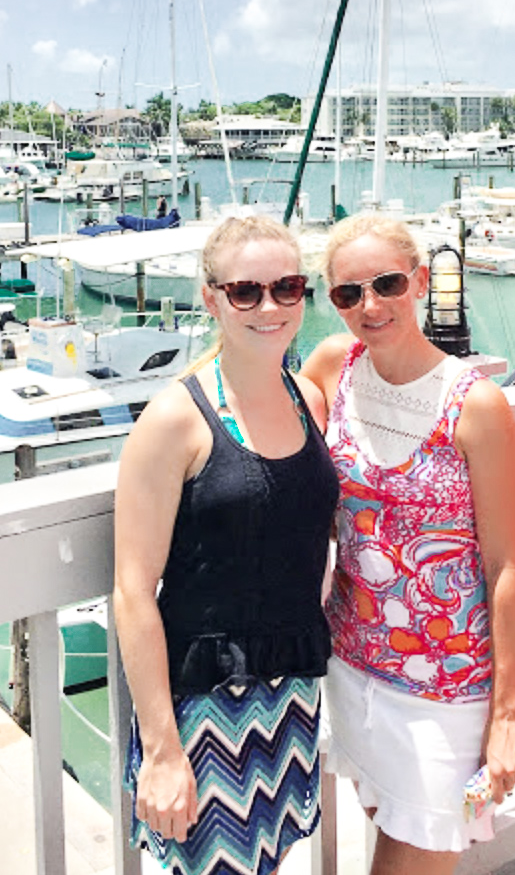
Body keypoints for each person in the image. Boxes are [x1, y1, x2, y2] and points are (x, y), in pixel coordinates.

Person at [301, 214, 515, 875]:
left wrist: (509, 715)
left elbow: (506, 565)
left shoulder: (475, 405)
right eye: (349, 294)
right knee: (387, 838)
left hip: (447, 691)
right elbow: (260, 417)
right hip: (353, 664)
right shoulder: (332, 367)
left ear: (420, 283)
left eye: (387, 284)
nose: (370, 305)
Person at [113, 217, 339, 875]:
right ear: (212, 298)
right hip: (206, 707)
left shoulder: (307, 399)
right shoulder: (175, 418)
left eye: (288, 288)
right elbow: (133, 590)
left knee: (273, 857)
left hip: (291, 686)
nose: (269, 307)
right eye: (246, 292)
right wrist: (161, 750)